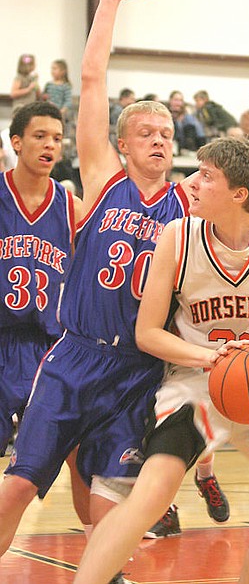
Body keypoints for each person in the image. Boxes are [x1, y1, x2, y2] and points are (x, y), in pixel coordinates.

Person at [0, 0, 249, 581]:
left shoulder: (190, 203)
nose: (159, 140)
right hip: (77, 354)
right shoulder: (102, 178)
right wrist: (109, 3)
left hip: (141, 368)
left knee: (112, 508)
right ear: (122, 144)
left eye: (166, 133)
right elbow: (92, 80)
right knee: (19, 488)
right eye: (145, 133)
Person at [73, 137, 249, 584]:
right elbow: (147, 333)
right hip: (195, 383)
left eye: (206, 176)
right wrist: (209, 357)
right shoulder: (178, 236)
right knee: (151, 496)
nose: (192, 183)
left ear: (239, 194)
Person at [0, 100, 91, 534]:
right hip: (2, 342)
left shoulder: (72, 207)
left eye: (57, 138)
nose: (50, 145)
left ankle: (103, 555)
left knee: (80, 454)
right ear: (16, 142)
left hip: (51, 350)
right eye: (40, 136)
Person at [167, 90, 206, 155]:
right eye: (176, 100)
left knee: (190, 120)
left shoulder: (187, 115)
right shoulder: (165, 112)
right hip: (172, 141)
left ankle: (196, 149)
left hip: (186, 142)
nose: (178, 103)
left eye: (180, 100)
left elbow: (199, 130)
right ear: (170, 101)